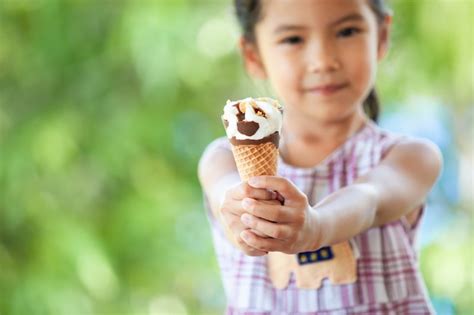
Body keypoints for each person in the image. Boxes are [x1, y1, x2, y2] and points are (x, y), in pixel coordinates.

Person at [198, 0, 442, 313]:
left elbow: (369, 199)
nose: (324, 61)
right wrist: (242, 219)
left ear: (381, 37)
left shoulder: (409, 157)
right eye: (293, 39)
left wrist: (316, 226)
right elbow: (226, 199)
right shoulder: (223, 159)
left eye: (347, 31)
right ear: (253, 55)